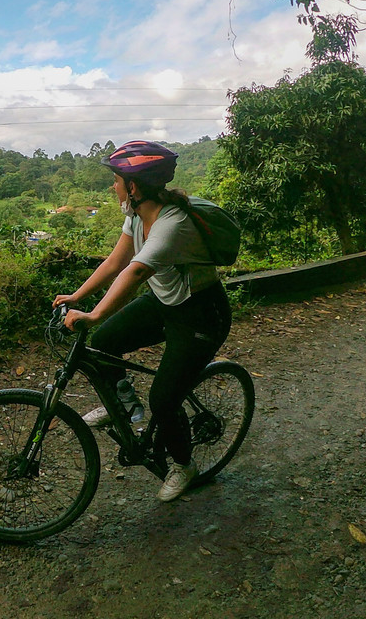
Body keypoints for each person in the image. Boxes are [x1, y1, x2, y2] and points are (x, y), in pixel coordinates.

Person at [53, 140, 231, 502]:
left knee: (164, 399)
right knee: (104, 342)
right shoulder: (136, 214)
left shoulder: (172, 224)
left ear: (133, 187)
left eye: (116, 181)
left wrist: (94, 314)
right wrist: (77, 297)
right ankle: (124, 407)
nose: (112, 187)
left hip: (200, 314)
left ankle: (183, 465)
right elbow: (116, 261)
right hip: (164, 301)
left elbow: (134, 273)